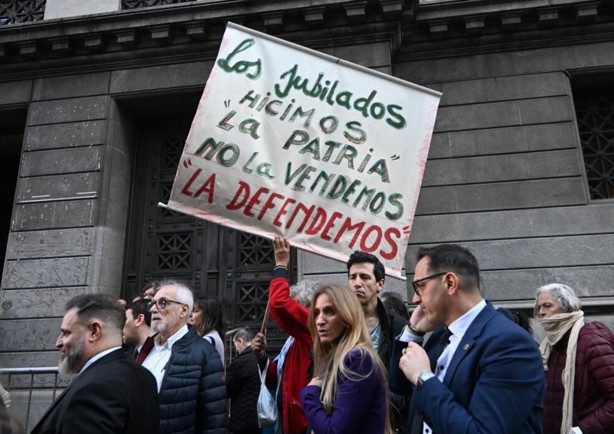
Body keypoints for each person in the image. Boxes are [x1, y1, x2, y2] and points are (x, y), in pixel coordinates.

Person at [391, 243, 545, 434]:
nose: (415, 299)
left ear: (450, 283)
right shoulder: (440, 336)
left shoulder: (510, 344)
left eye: (420, 286)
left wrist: (424, 378)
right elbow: (398, 384)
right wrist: (413, 332)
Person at [30, 294, 160, 434]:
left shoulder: (94, 388)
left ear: (94, 331)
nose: (58, 343)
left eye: (66, 333)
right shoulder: (145, 376)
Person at [300, 283, 391, 434]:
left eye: (329, 311)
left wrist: (309, 395)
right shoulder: (334, 359)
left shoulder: (359, 360)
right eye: (316, 313)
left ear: (347, 315)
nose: (320, 321)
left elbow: (335, 431)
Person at [252, 236, 319, 434]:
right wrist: (263, 358)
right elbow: (278, 380)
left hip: (304, 423)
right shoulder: (293, 341)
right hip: (290, 423)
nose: (292, 312)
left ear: (306, 306)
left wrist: (281, 265)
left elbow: (278, 304)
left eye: (294, 304)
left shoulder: (313, 324)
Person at [141, 281, 227, 434]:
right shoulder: (144, 349)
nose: (153, 309)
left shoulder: (205, 353)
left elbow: (214, 420)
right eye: (153, 303)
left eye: (162, 303)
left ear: (183, 310)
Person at [535, 283, 614, 434]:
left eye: (547, 306)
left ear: (567, 306)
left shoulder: (592, 342)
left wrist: (583, 430)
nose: (542, 313)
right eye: (539, 308)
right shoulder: (550, 345)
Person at [347, 250, 407, 433]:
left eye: (364, 277)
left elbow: (408, 391)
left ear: (380, 283)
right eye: (352, 277)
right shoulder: (338, 326)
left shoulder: (399, 328)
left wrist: (374, 395)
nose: (357, 283)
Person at [226, 328, 261, 434]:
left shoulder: (239, 362)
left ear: (240, 341)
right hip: (258, 416)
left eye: (236, 345)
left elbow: (227, 389)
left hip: (242, 418)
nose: (236, 350)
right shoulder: (259, 356)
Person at [192, 295, 226, 365]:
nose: (191, 315)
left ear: (207, 315)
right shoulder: (213, 336)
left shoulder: (208, 340)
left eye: (195, 311)